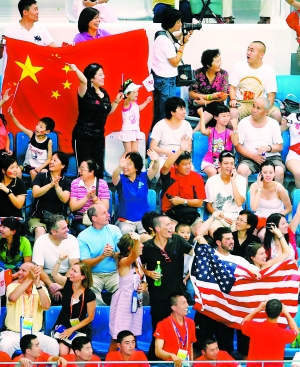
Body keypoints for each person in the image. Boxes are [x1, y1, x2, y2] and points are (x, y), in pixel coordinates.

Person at [193, 224, 260, 354]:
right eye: (227, 239)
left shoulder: (239, 260)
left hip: (227, 313)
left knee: (226, 348)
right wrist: (214, 218)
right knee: (200, 346)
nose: (231, 241)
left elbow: (255, 272)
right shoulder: (208, 254)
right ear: (218, 242)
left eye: (232, 238)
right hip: (207, 310)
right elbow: (198, 233)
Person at [140, 215, 193, 360]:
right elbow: (138, 264)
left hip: (177, 295)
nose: (171, 227)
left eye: (171, 224)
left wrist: (201, 244)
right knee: (159, 331)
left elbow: (195, 253)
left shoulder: (177, 240)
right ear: (157, 228)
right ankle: (155, 361)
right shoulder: (148, 247)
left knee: (179, 331)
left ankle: (182, 360)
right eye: (168, 225)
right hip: (158, 297)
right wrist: (147, 273)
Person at [69, 63, 123, 178]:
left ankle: (97, 194)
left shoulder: (104, 93)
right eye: (100, 74)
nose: (104, 77)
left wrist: (117, 101)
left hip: (98, 137)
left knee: (97, 170)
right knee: (84, 169)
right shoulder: (84, 91)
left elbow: (107, 112)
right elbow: (83, 81)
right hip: (83, 136)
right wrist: (75, 69)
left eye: (103, 74)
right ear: (92, 78)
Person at [0, 262, 59, 357]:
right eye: (19, 269)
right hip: (13, 334)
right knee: (5, 345)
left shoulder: (41, 288)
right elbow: (13, 297)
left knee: (52, 344)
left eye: (23, 271)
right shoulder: (12, 286)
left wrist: (38, 285)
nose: (19, 273)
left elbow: (46, 306)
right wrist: (30, 279)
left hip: (35, 335)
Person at [151, 7, 192, 126]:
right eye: (178, 21)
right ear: (171, 22)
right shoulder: (165, 41)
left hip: (159, 78)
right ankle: (162, 139)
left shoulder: (161, 34)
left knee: (159, 112)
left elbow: (173, 37)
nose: (180, 24)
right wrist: (183, 45)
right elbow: (174, 61)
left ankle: (155, 136)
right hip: (167, 81)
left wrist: (184, 35)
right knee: (167, 112)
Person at [160, 135, 205, 234]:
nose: (188, 167)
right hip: (171, 214)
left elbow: (200, 202)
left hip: (190, 213)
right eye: (184, 164)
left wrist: (182, 201)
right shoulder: (170, 174)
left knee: (201, 232)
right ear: (176, 165)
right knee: (177, 232)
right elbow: (166, 165)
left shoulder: (197, 177)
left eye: (189, 163)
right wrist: (180, 150)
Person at [109, 233, 147, 350]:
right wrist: (136, 240)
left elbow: (142, 279)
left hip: (136, 301)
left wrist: (144, 285)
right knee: (118, 337)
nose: (142, 246)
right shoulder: (123, 261)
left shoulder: (138, 260)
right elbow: (134, 254)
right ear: (130, 248)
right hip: (123, 301)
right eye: (139, 244)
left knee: (132, 336)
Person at [78, 203, 121, 306]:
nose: (108, 215)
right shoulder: (83, 236)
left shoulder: (115, 230)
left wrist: (112, 254)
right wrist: (102, 256)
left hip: (114, 273)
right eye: (103, 213)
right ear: (94, 218)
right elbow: (84, 263)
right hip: (94, 275)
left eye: (107, 212)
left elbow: (123, 255)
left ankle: (117, 313)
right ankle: (102, 316)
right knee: (89, 291)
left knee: (124, 287)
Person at [51, 258, 96, 355]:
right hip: (63, 325)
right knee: (63, 352)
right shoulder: (67, 283)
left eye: (74, 271)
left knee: (74, 354)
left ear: (83, 276)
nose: (71, 273)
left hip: (80, 328)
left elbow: (90, 317)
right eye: (71, 269)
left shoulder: (89, 294)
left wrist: (71, 330)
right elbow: (54, 274)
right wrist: (59, 260)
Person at [236, 97, 285, 185]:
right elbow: (238, 146)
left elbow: (279, 146)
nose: (254, 110)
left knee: (279, 171)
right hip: (249, 158)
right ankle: (243, 198)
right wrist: (253, 156)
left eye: (258, 108)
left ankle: (277, 197)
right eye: (253, 106)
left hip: (271, 157)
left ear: (266, 112)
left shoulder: (273, 123)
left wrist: (268, 148)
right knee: (241, 170)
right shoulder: (243, 123)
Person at [229, 41, 281, 123]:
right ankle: (237, 135)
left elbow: (271, 95)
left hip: (260, 103)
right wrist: (232, 99)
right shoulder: (239, 66)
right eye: (248, 50)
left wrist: (265, 110)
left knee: (277, 115)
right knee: (232, 113)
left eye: (252, 50)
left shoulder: (269, 71)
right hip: (242, 103)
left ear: (261, 55)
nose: (248, 53)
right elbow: (232, 87)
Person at [32, 214, 80, 301]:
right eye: (64, 228)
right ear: (54, 232)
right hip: (47, 275)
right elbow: (38, 269)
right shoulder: (40, 242)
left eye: (67, 227)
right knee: (38, 285)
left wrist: (63, 284)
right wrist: (52, 285)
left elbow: (74, 265)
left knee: (79, 282)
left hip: (67, 275)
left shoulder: (72, 240)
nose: (68, 230)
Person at [112, 150, 159, 236]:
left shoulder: (144, 177)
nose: (125, 166)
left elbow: (155, 169)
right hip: (125, 221)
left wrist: (156, 160)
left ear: (136, 167)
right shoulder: (120, 179)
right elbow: (114, 175)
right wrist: (119, 166)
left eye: (129, 164)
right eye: (124, 163)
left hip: (143, 220)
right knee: (127, 236)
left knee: (147, 237)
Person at [241, 299, 298, 366]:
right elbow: (295, 330)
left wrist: (258, 309)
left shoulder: (254, 327)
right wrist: (286, 312)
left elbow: (243, 323)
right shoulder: (282, 334)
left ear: (265, 311)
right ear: (280, 313)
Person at [29, 151, 71, 239]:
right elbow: (35, 193)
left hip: (57, 219)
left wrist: (57, 186)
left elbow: (65, 199)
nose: (51, 162)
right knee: (40, 230)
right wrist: (50, 185)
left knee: (60, 233)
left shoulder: (67, 182)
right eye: (51, 160)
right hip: (38, 217)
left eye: (55, 160)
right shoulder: (41, 176)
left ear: (63, 165)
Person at [205, 150, 246, 236]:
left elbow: (239, 203)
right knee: (215, 233)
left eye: (232, 163)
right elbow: (208, 205)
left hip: (236, 218)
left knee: (237, 238)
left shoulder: (241, 180)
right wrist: (220, 216)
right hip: (218, 217)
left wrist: (233, 181)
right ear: (219, 164)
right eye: (226, 163)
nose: (229, 166)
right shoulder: (211, 181)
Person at [8, 107, 54, 181]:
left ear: (47, 132)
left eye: (41, 127)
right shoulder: (31, 134)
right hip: (30, 165)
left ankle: (42, 191)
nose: (37, 128)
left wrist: (40, 167)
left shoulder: (49, 141)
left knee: (45, 172)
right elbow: (19, 125)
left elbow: (49, 159)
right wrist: (12, 115)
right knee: (33, 172)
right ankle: (34, 189)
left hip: (42, 166)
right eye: (37, 125)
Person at [150, 97, 193, 172]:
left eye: (184, 109)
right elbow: (153, 146)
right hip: (163, 158)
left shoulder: (187, 125)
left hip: (181, 158)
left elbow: (188, 147)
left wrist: (181, 157)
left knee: (190, 170)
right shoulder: (160, 125)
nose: (184, 112)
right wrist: (165, 152)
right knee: (161, 170)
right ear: (172, 112)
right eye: (181, 109)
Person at [69, 158, 110, 235]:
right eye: (79, 168)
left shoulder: (102, 184)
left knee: (101, 230)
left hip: (99, 218)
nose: (79, 171)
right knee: (85, 232)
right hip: (80, 219)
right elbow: (73, 207)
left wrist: (95, 199)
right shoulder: (75, 183)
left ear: (91, 172)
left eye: (82, 169)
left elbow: (106, 208)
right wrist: (86, 197)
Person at [154, 293, 196, 364]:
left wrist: (191, 362)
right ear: (174, 308)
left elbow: (190, 344)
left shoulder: (191, 323)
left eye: (187, 302)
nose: (187, 305)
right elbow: (158, 351)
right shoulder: (163, 324)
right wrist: (171, 355)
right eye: (183, 303)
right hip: (169, 364)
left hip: (186, 363)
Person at [188, 49, 229, 124]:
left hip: (216, 105)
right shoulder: (197, 73)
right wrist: (210, 97)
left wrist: (206, 102)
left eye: (220, 60)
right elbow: (192, 94)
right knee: (215, 114)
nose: (220, 63)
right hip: (198, 106)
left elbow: (224, 96)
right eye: (217, 61)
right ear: (208, 65)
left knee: (215, 108)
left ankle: (197, 130)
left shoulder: (223, 74)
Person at [196, 106, 238, 176]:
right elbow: (203, 131)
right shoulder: (211, 130)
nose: (227, 118)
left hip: (224, 162)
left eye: (228, 116)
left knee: (223, 172)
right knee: (212, 171)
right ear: (216, 117)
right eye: (224, 116)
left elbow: (236, 143)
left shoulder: (230, 132)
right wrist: (202, 116)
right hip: (209, 161)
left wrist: (236, 128)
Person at [249, 160, 292, 231]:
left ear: (274, 173)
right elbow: (253, 208)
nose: (268, 175)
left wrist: (275, 217)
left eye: (271, 172)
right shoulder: (254, 186)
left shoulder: (279, 188)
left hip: (275, 220)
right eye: (265, 172)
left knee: (264, 233)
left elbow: (289, 208)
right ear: (260, 174)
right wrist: (259, 188)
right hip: (260, 219)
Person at [119, 79, 152, 153]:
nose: (137, 94)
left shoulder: (135, 102)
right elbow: (127, 99)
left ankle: (134, 164)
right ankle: (124, 164)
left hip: (136, 130)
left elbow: (138, 108)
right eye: (134, 92)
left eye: (137, 92)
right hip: (127, 131)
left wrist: (146, 102)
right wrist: (125, 95)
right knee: (128, 152)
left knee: (135, 151)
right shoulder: (126, 103)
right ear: (127, 94)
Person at [175, 223, 194, 302]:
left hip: (186, 278)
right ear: (176, 234)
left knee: (191, 290)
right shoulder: (172, 248)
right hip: (174, 277)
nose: (186, 235)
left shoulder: (192, 249)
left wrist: (185, 279)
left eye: (188, 233)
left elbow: (192, 268)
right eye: (182, 232)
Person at [281, 112, 300, 188]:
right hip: (294, 155)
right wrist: (283, 125)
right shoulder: (293, 117)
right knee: (298, 173)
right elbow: (280, 130)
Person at [0, 90, 12, 156]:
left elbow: (6, 137)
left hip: (2, 152)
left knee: (12, 163)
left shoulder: (2, 120)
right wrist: (3, 100)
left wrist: (7, 149)